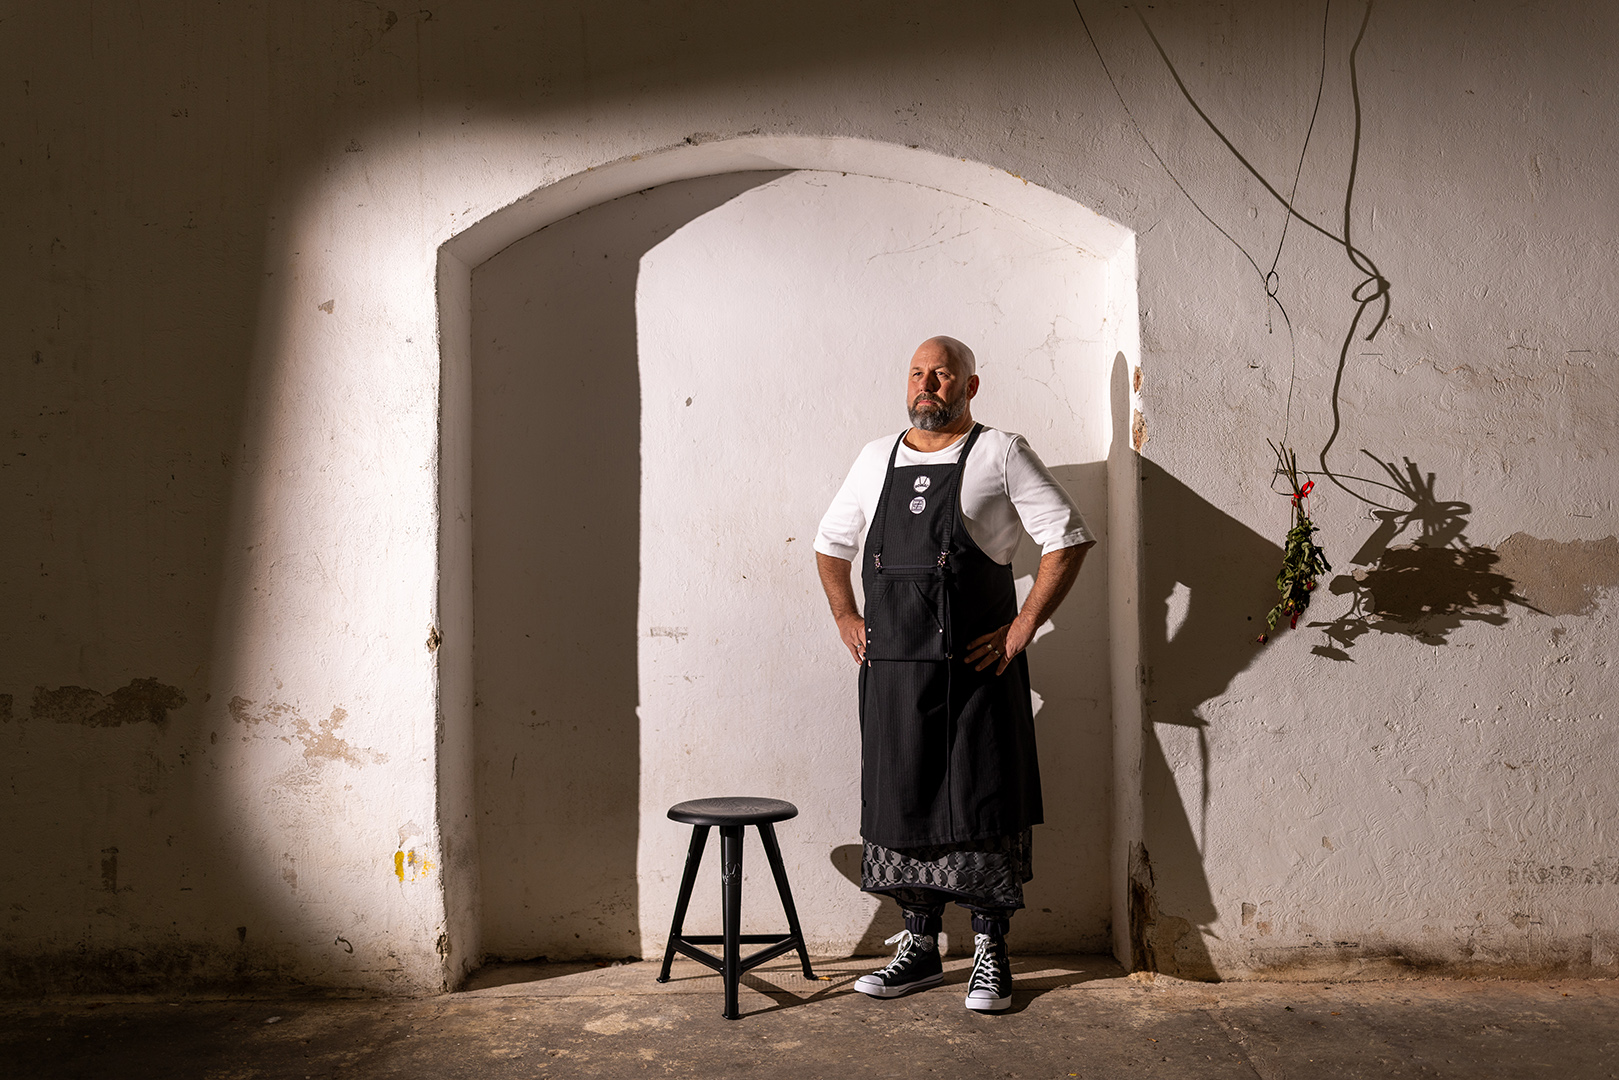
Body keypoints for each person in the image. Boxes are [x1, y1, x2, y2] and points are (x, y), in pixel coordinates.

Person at [814, 335, 1093, 1012]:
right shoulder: (874, 457)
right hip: (893, 675)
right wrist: (846, 616)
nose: (927, 385)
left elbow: (1067, 535)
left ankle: (991, 953)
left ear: (970, 385)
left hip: (974, 676)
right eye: (917, 373)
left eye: (941, 374)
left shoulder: (1001, 452)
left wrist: (1022, 627)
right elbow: (830, 544)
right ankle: (919, 949)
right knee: (902, 805)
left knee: (979, 806)